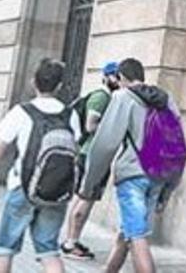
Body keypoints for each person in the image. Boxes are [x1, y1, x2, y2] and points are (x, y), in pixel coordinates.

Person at [0, 59, 72, 273]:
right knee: (49, 251)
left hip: (21, 187)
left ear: (33, 82)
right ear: (59, 86)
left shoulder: (22, 112)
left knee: (5, 249)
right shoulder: (69, 115)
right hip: (56, 191)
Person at [81, 58, 174, 273]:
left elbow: (105, 144)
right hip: (158, 176)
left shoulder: (123, 97)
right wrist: (167, 191)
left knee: (136, 236)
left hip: (133, 176)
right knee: (127, 232)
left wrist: (90, 184)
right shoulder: (166, 100)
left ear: (121, 78)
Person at [61, 61, 121, 260]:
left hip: (92, 154)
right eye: (115, 76)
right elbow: (91, 124)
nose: (118, 80)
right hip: (94, 155)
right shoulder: (101, 97)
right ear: (106, 76)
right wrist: (113, 128)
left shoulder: (107, 96)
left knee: (82, 197)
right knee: (87, 198)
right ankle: (71, 243)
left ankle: (71, 240)